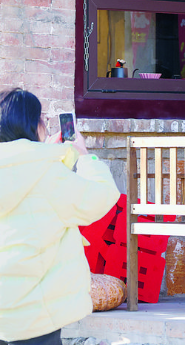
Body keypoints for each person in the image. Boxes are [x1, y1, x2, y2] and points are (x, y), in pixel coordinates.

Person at [0, 89, 120, 345]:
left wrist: (46, 156)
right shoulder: (47, 174)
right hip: (33, 312)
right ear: (32, 125)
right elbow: (100, 198)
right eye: (41, 118)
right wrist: (85, 156)